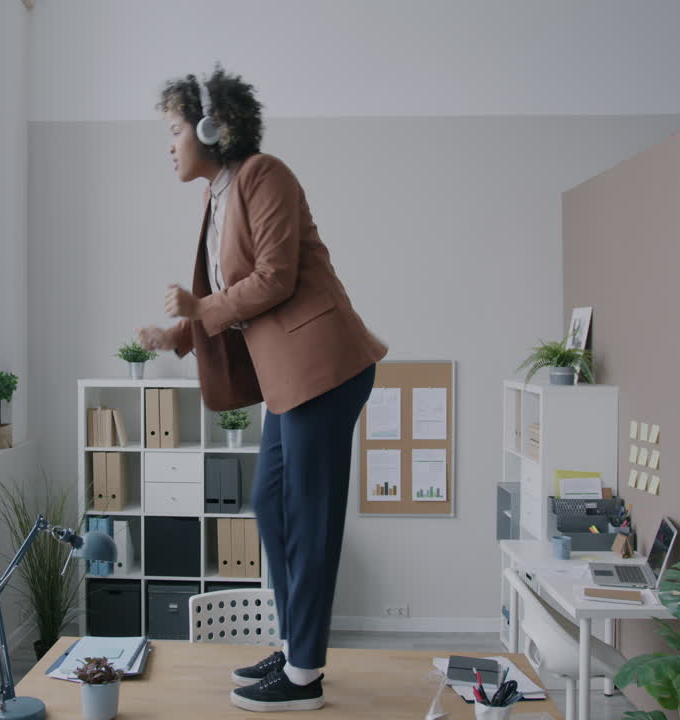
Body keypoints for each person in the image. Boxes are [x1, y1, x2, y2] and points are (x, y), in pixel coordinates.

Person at [138, 65, 387, 712]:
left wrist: (198, 311)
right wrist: (181, 335)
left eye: (173, 130)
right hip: (290, 380)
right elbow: (225, 300)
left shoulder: (264, 175)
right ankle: (293, 645)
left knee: (309, 519)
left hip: (325, 369)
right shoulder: (218, 195)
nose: (168, 144)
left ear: (211, 127)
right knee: (270, 506)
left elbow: (275, 279)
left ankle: (304, 675)